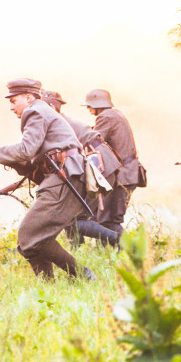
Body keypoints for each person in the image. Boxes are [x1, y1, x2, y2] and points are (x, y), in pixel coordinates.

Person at [0, 79, 95, 280]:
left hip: (64, 177)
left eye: (13, 101)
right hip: (62, 177)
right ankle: (47, 289)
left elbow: (26, 149)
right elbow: (32, 158)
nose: (11, 107)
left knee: (29, 237)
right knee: (29, 243)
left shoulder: (35, 112)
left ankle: (83, 275)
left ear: (28, 98)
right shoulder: (41, 111)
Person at [41, 90, 121, 248]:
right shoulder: (56, 121)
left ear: (50, 107)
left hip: (99, 163)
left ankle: (119, 242)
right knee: (73, 216)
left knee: (75, 218)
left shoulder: (53, 122)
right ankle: (77, 251)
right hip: (99, 162)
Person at [84, 88, 143, 236]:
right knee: (109, 219)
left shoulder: (105, 117)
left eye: (89, 105)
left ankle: (122, 251)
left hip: (123, 175)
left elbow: (92, 140)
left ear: (97, 104)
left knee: (109, 221)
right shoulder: (115, 114)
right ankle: (113, 254)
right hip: (128, 173)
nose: (88, 108)